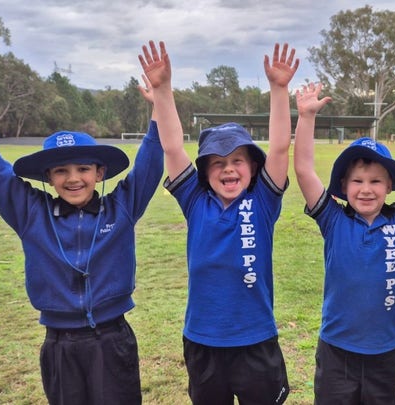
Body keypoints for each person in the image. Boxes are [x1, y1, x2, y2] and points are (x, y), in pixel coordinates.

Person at [0, 42, 169, 404]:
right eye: (61, 170)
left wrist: (161, 99)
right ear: (48, 177)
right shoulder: (30, 213)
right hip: (59, 345)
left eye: (84, 168)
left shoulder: (121, 208)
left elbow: (151, 157)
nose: (74, 179)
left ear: (100, 172)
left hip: (113, 340)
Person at [140, 42, 298, 404]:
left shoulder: (263, 201)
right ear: (205, 171)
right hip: (203, 341)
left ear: (253, 167)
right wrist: (162, 92)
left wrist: (279, 90)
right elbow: (173, 149)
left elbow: (277, 149)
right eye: (217, 162)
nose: (228, 168)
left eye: (238, 160)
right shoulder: (195, 201)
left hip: (255, 340)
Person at [293, 83, 395, 404]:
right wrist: (305, 117)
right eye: (357, 181)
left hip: (385, 353)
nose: (366, 189)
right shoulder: (333, 220)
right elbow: (304, 170)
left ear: (390, 185)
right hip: (336, 352)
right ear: (344, 186)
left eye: (375, 181)